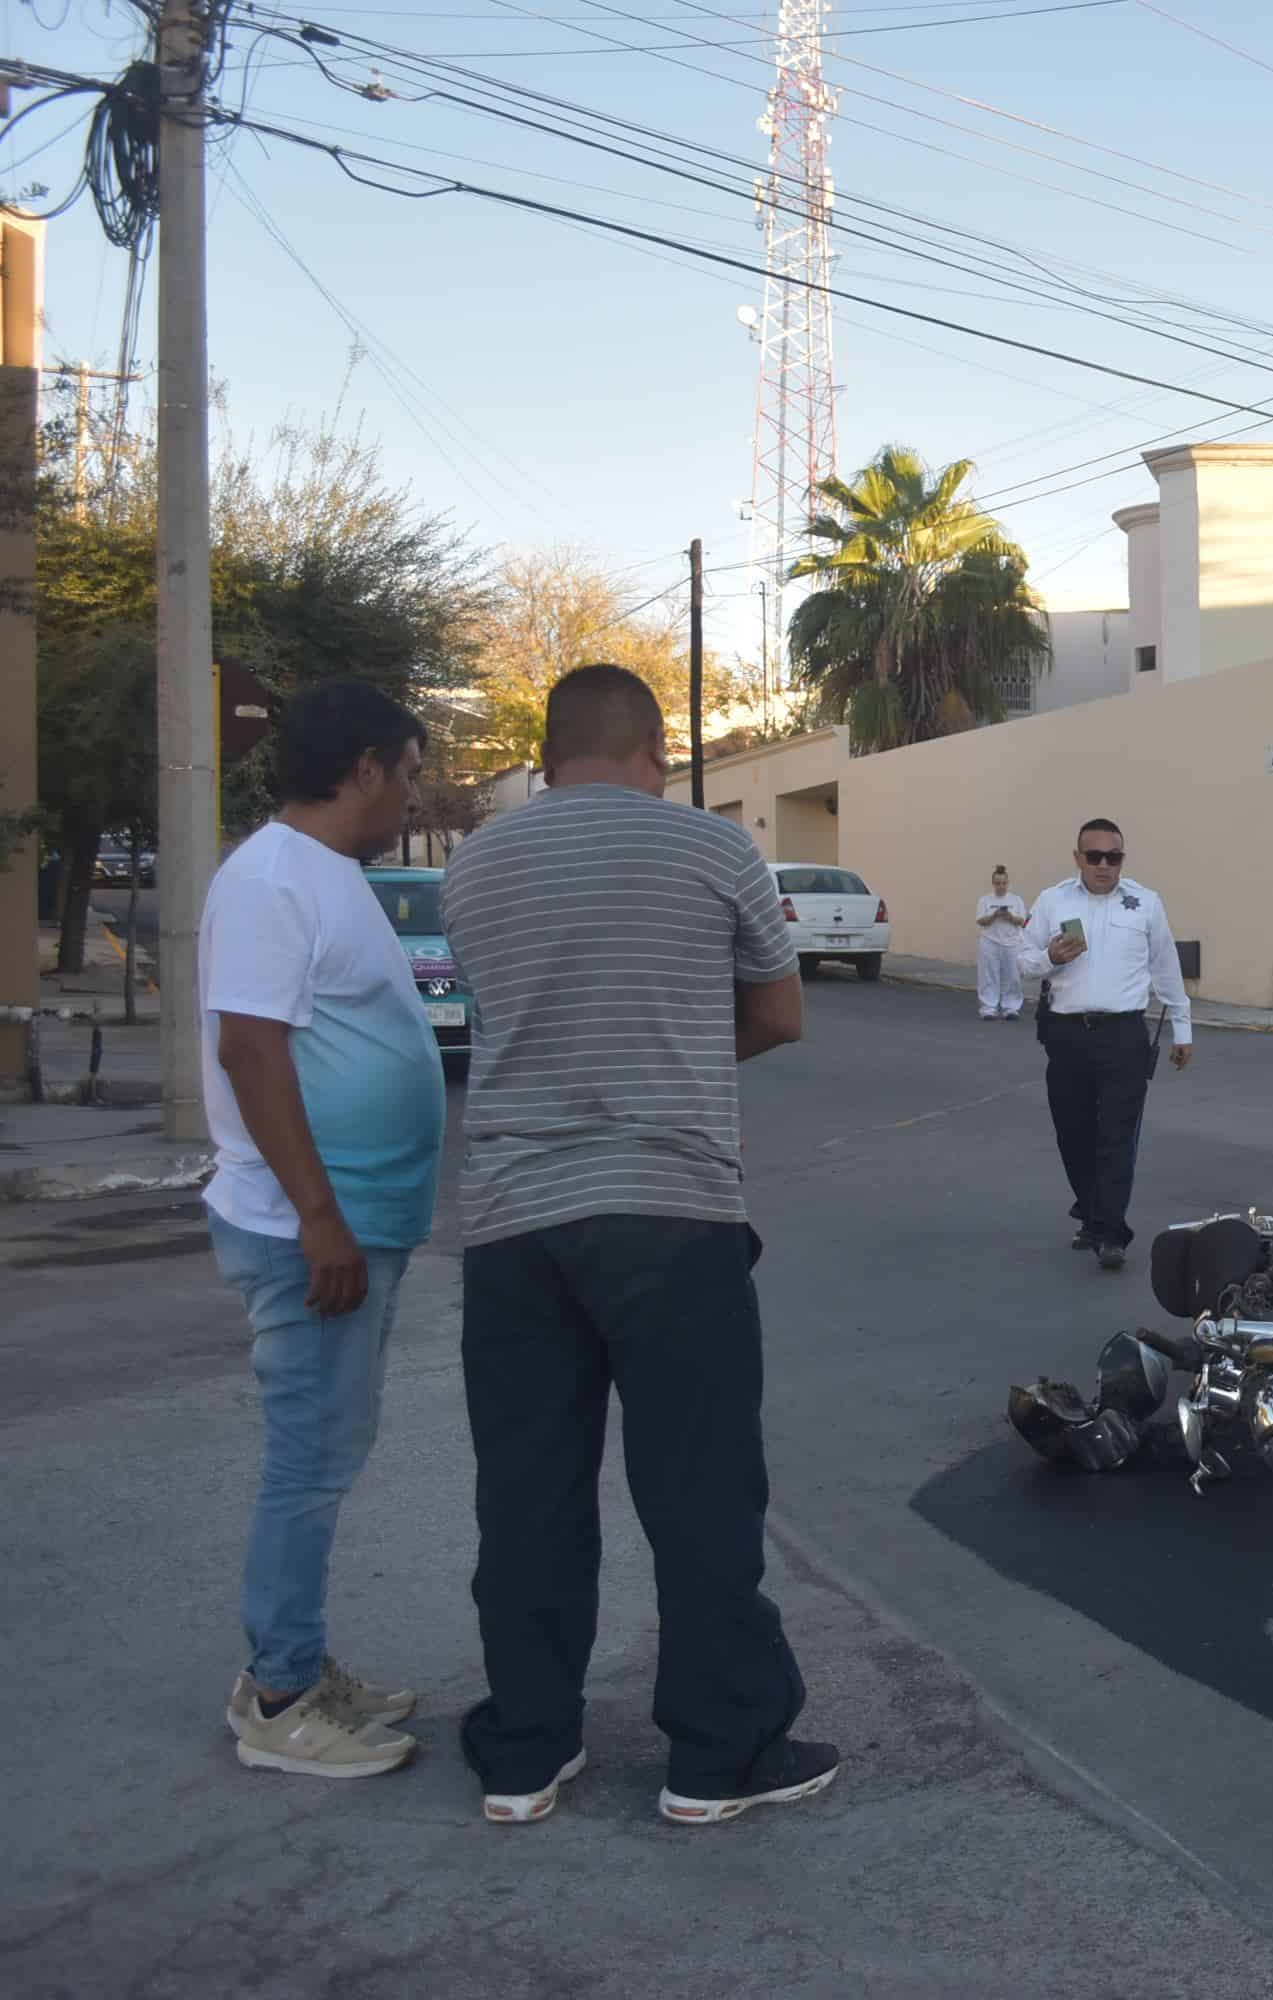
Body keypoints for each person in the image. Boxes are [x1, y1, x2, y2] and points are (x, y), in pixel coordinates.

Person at [441, 663, 838, 1828]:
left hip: (515, 1224)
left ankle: (525, 1748)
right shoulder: (714, 853)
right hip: (672, 1212)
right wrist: (674, 1054)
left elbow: (507, 1018)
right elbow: (778, 1013)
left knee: (525, 1493)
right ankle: (716, 1755)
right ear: (655, 750)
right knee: (700, 1491)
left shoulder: (474, 864)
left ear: (550, 752)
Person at [202, 678, 443, 1780]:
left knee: (327, 1452)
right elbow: (249, 1050)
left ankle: (295, 1659)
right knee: (306, 1461)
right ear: (362, 768)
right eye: (407, 768)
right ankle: (282, 1694)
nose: (412, 788)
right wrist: (318, 1217)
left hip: (349, 1222)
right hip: (310, 1231)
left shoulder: (325, 876)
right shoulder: (268, 880)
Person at [1018, 816, 1193, 1272]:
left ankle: (1111, 1232)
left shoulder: (1145, 905)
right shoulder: (1052, 901)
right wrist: (1049, 958)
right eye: (1093, 856)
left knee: (1116, 1137)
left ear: (1122, 860)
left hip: (1123, 1035)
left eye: (1112, 857)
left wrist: (1183, 1027)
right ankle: (1093, 1214)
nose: (1103, 865)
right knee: (1073, 1134)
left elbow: (1166, 968)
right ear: (1077, 858)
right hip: (1067, 1035)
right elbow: (1021, 959)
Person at [974, 864, 1028, 1021]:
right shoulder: (984, 900)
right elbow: (980, 921)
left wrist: (1010, 916)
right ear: (993, 884)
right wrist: (994, 915)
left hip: (1011, 943)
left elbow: (1022, 920)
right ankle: (989, 1008)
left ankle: (1011, 1007)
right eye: (997, 883)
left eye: (1004, 883)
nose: (1001, 886)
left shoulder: (1016, 900)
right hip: (990, 941)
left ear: (1008, 883)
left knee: (1012, 975)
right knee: (988, 975)